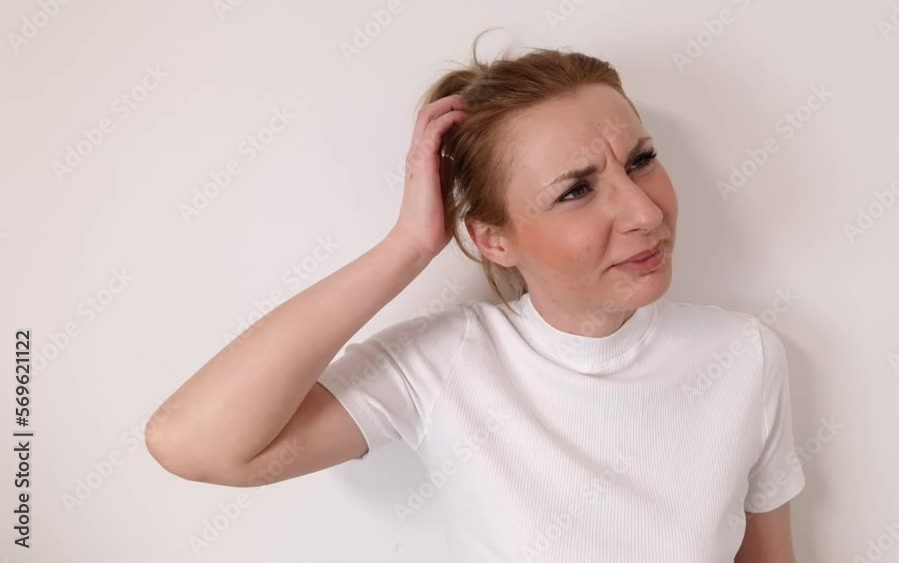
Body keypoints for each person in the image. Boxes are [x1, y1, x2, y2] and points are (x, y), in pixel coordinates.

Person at [146, 31, 806, 562]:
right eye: (575, 190)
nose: (643, 211)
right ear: (493, 239)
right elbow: (194, 444)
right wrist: (407, 244)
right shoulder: (447, 363)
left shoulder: (743, 355)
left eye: (640, 160)